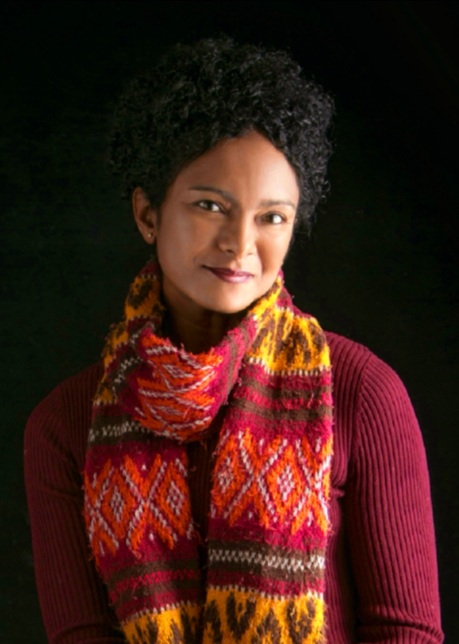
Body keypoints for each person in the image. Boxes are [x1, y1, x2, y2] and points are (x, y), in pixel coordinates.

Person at [24, 37, 443, 643]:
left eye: (272, 216)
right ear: (147, 213)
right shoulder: (65, 426)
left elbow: (405, 630)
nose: (241, 243)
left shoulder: (362, 393)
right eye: (210, 206)